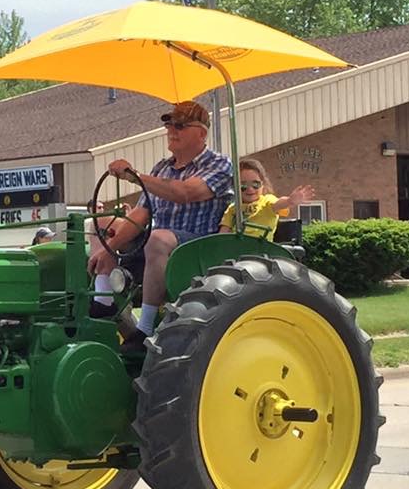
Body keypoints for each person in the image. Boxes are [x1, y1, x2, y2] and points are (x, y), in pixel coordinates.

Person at [86, 100, 233, 352]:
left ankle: (145, 329)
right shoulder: (162, 167)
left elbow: (186, 192)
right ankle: (103, 302)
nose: (171, 131)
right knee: (107, 225)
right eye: (169, 125)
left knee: (157, 238)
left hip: (196, 248)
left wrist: (135, 176)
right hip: (157, 249)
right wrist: (108, 248)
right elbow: (141, 215)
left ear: (201, 133)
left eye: (180, 126)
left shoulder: (219, 164)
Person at [217, 159, 314, 241]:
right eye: (243, 185)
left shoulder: (267, 202)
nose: (250, 189)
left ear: (263, 184)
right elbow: (223, 234)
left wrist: (290, 200)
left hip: (261, 250)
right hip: (236, 250)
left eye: (255, 184)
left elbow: (279, 203)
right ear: (236, 187)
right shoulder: (233, 208)